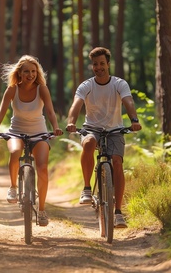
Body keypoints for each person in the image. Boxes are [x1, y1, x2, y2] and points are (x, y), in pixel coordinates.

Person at [66, 47, 142, 228]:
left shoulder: (119, 84)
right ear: (91, 66)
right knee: (90, 142)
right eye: (95, 64)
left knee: (117, 161)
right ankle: (86, 188)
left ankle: (118, 212)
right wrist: (71, 122)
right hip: (91, 128)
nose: (98, 67)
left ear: (108, 64)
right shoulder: (86, 86)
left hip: (115, 129)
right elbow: (76, 105)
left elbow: (128, 101)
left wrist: (134, 120)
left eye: (102, 63)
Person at [0, 55, 63, 227]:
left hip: (39, 133)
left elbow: (51, 112)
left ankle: (42, 211)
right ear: (20, 73)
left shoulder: (42, 89)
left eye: (33, 71)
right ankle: (14, 188)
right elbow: (1, 112)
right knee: (15, 152)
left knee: (43, 168)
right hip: (17, 131)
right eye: (26, 72)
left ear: (36, 73)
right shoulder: (12, 90)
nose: (30, 75)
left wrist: (56, 126)